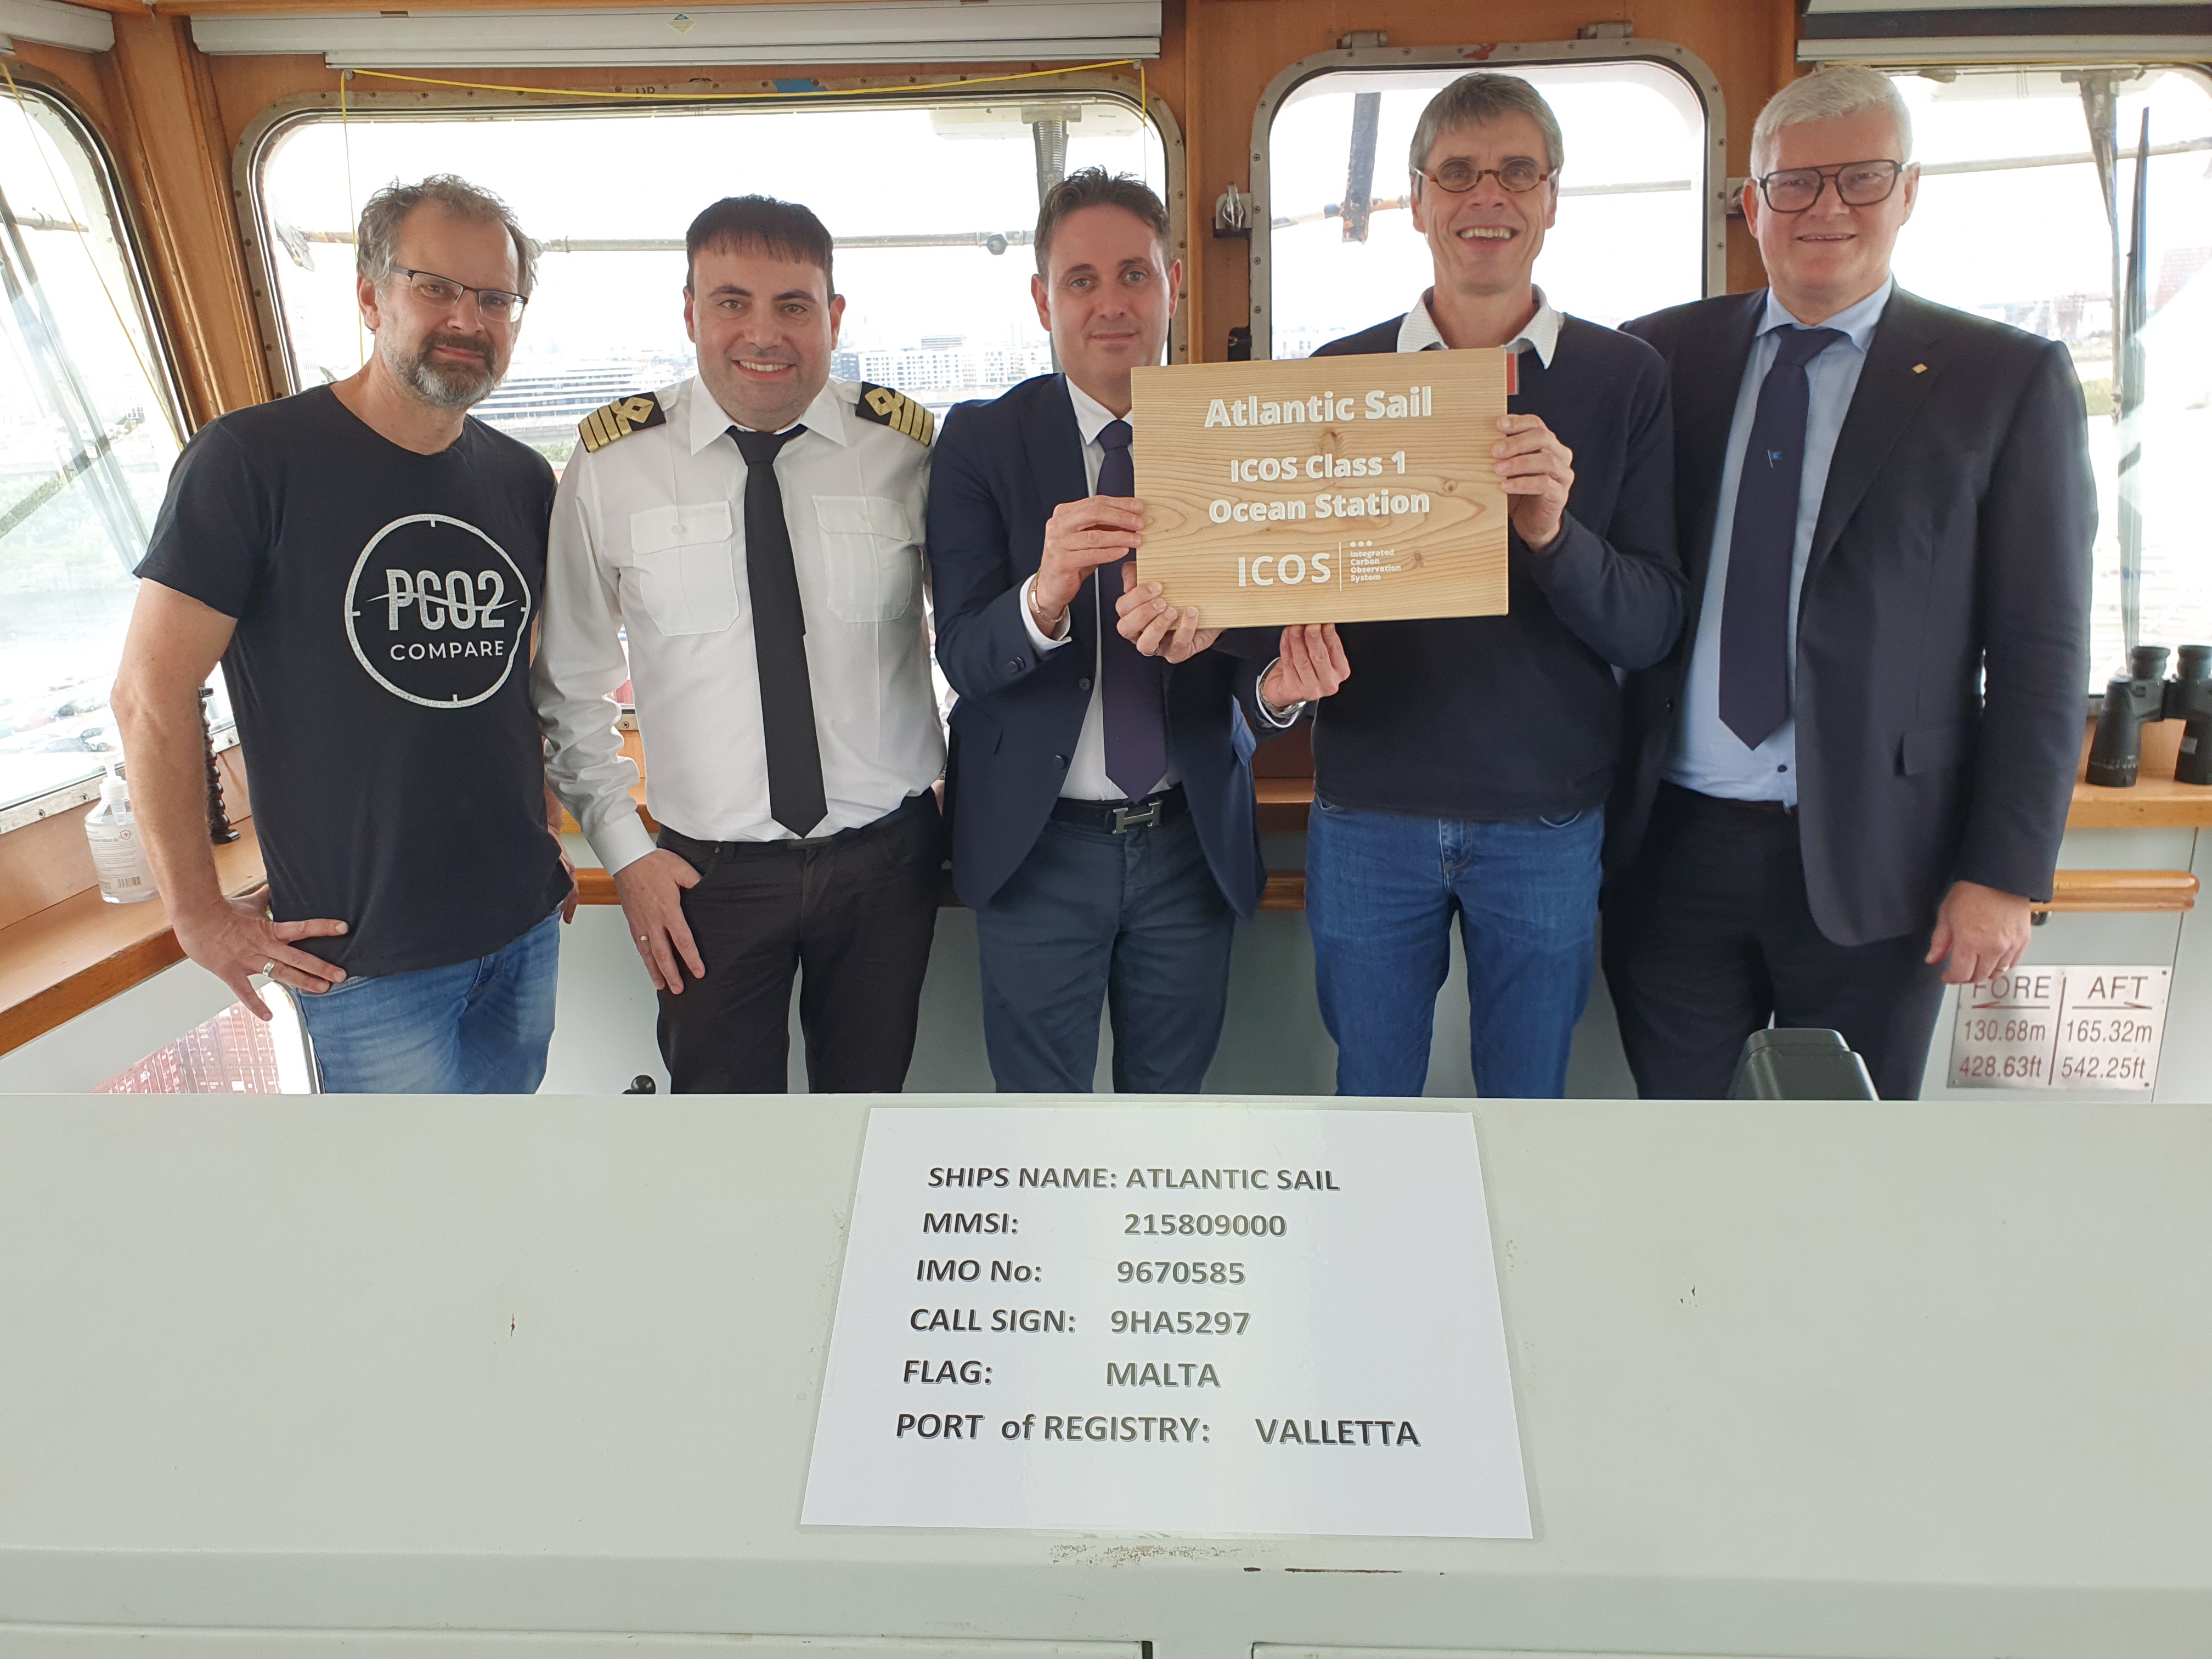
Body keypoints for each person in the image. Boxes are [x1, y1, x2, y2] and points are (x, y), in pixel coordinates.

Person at [1603, 66, 2095, 1100]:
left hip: (1885, 864)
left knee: (1849, 1166)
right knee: (1677, 1150)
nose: (1826, 208)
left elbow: (2043, 653)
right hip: (1671, 851)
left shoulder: (2003, 380)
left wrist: (2005, 872)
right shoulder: (1660, 358)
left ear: (1909, 192)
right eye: (1795, 183)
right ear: (1752, 205)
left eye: (1862, 178)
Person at [111, 174, 574, 1093]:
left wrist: (546, 822)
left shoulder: (523, 480)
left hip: (523, 920)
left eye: (496, 299)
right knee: (401, 1187)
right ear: (370, 296)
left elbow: (519, 678)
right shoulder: (250, 462)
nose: (467, 319)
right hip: (361, 957)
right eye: (435, 287)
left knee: (508, 1162)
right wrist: (197, 912)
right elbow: (148, 696)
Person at [929, 167, 1350, 1093]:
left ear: (1174, 284)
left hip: (1188, 844)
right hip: (1035, 849)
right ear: (1042, 298)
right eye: (1081, 280)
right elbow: (960, 651)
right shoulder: (980, 442)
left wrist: (1277, 692)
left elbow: (1257, 661)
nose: (1111, 303)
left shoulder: (1235, 438)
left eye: (1134, 275)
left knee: (1171, 1120)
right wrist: (1042, 598)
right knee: (1040, 1125)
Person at [1304, 74, 1682, 1099]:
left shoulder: (1628, 378)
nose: (1488, 197)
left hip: (1545, 823)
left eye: (1518, 173)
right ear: (1417, 199)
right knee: (1371, 1104)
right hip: (1368, 811)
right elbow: (1282, 597)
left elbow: (1650, 624)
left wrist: (1553, 535)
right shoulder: (1335, 376)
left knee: (1528, 1113)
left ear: (1552, 199)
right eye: (1459, 174)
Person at [535, 196, 944, 1094]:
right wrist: (626, 855)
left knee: (868, 1116)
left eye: (794, 305)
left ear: (834, 316)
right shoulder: (614, 464)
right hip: (703, 876)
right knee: (718, 1133)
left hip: (885, 864)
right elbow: (569, 685)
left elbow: (971, 635)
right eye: (731, 302)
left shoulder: (904, 450)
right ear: (690, 312)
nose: (763, 334)